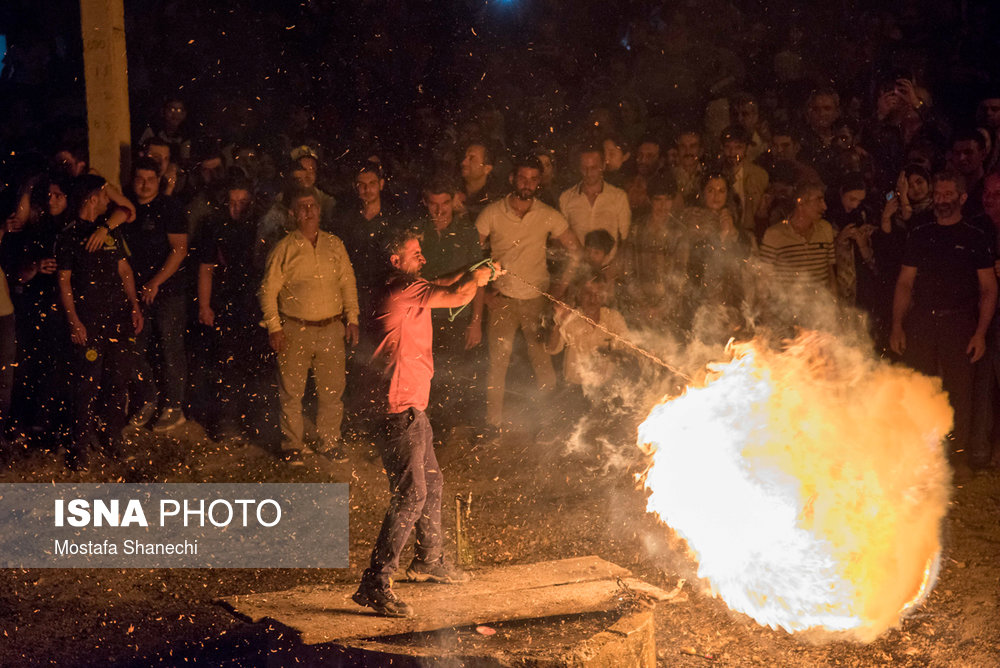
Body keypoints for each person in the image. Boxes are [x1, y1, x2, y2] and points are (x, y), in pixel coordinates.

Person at [353, 228, 499, 618]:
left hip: (413, 408)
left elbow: (442, 280)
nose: (422, 258)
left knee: (431, 483)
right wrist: (478, 280)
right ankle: (375, 582)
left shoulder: (409, 285)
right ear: (395, 261)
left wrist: (474, 267)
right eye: (413, 253)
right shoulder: (402, 290)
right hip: (398, 411)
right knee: (412, 495)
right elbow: (458, 294)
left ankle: (429, 561)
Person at [890, 170, 997, 460]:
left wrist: (980, 333)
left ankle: (956, 456)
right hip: (922, 321)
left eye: (948, 194)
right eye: (938, 194)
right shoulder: (921, 234)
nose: (942, 200)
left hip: (959, 323)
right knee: (917, 387)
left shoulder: (975, 238)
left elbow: (988, 288)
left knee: (959, 393)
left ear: (962, 197)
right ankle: (917, 455)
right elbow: (904, 283)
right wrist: (897, 325)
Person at [475, 156, 581, 432]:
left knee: (543, 364)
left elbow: (576, 250)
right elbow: (470, 253)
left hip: (536, 301)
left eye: (534, 179)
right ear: (512, 179)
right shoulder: (492, 214)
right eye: (523, 178)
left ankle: (547, 424)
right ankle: (492, 425)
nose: (528, 184)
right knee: (496, 366)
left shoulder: (547, 214)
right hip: (502, 302)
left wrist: (558, 290)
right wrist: (484, 294)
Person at [259, 186, 360, 465]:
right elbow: (268, 290)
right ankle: (292, 444)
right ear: (292, 213)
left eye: (312, 205)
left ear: (319, 209)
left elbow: (347, 282)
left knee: (332, 390)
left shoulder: (334, 245)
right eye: (302, 207)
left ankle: (329, 441)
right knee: (292, 391)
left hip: (331, 328)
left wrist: (352, 318)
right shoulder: (284, 249)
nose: (309, 211)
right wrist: (274, 327)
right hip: (294, 328)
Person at [55, 175, 144, 470]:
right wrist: (73, 321)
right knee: (86, 384)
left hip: (118, 318)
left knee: (118, 381)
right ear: (93, 198)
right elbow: (64, 280)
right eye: (105, 195)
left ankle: (113, 437)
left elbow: (125, 270)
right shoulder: (69, 236)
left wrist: (134, 306)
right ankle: (79, 446)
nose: (109, 200)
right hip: (89, 320)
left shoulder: (110, 231)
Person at [118, 156, 189, 432]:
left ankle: (174, 407)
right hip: (136, 291)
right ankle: (147, 399)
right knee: (133, 348)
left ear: (159, 181)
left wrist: (155, 282)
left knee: (171, 349)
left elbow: (179, 249)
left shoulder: (170, 208)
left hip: (168, 290)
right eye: (139, 178)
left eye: (150, 179)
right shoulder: (126, 207)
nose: (145, 185)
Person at [558, 146, 631, 258]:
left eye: (593, 168)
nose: (588, 173)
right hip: (578, 270)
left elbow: (626, 239)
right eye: (584, 168)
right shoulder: (566, 198)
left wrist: (614, 268)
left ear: (603, 166)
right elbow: (560, 237)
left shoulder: (618, 197)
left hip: (608, 270)